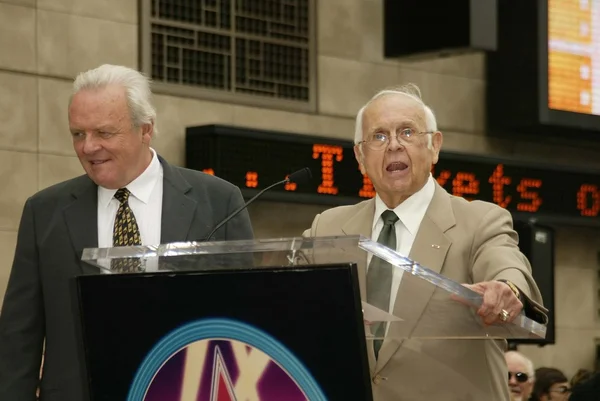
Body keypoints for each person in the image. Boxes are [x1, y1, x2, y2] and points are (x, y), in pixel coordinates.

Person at [0, 64, 254, 401]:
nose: (88, 147)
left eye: (104, 133)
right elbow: (19, 336)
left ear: (145, 129)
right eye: (78, 133)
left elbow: (247, 320)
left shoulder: (220, 202)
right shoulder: (44, 211)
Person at [303, 84, 548, 400]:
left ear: (434, 146)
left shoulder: (480, 221)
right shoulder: (328, 226)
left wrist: (509, 289)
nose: (393, 145)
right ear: (360, 157)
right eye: (378, 136)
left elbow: (507, 264)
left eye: (407, 132)